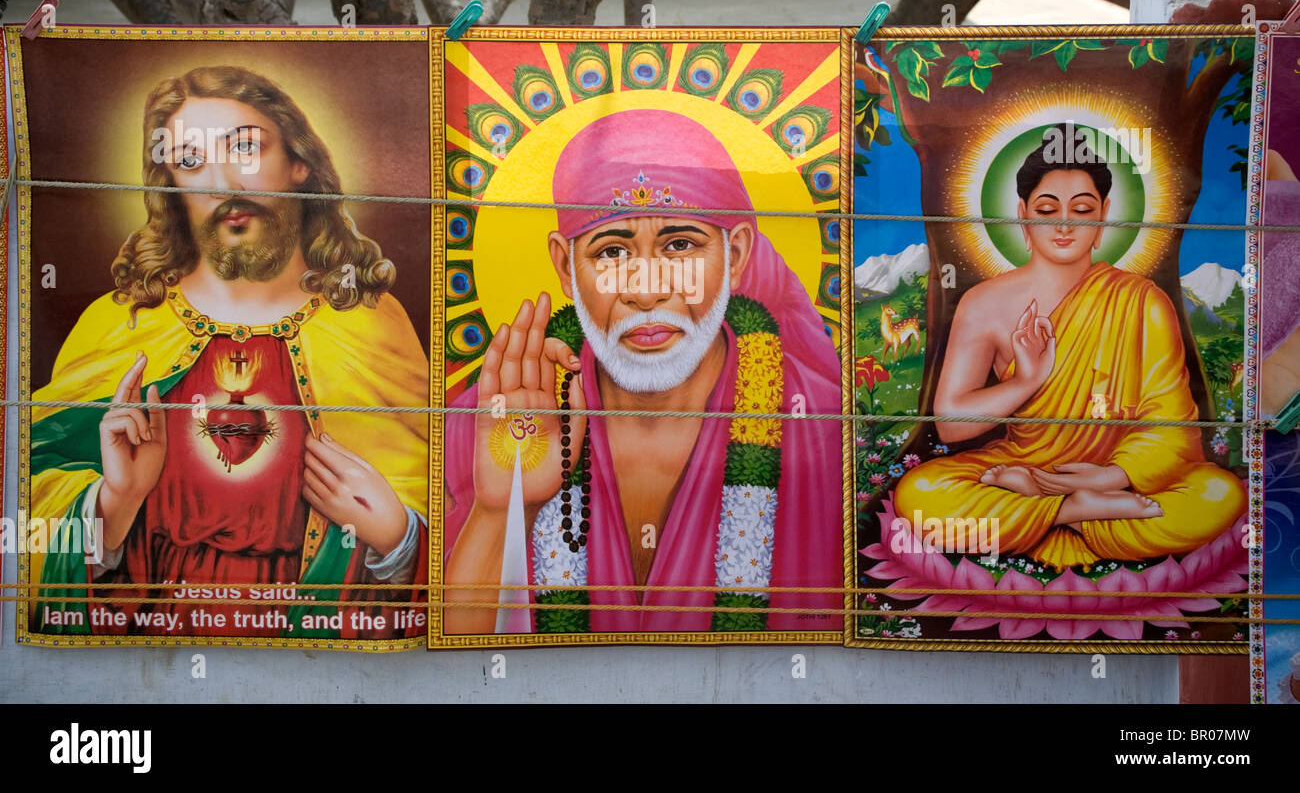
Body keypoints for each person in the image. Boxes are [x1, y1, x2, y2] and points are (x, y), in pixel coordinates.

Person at [30, 66, 429, 640]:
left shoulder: (368, 324)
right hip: (150, 655)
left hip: (317, 656)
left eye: (245, 147)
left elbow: (449, 500)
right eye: (190, 160)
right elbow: (28, 497)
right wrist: (113, 501)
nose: (223, 182)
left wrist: (398, 537)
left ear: (299, 162)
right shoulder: (122, 324)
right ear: (171, 185)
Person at [443, 109, 842, 634]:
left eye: (680, 245)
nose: (647, 291)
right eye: (612, 251)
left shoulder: (823, 424)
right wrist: (500, 513)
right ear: (565, 267)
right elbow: (453, 648)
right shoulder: (490, 423)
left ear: (736, 254)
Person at [893, 124, 1245, 571]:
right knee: (921, 495)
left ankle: (1050, 510)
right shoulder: (984, 303)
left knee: (1218, 495)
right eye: (1047, 209)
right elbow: (950, 424)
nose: (1064, 224)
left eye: (1081, 209)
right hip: (1024, 462)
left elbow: (1171, 425)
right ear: (1023, 214)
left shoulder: (1142, 301)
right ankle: (1076, 513)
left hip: (1116, 474)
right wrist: (1026, 381)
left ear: (1104, 216)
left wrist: (1113, 476)